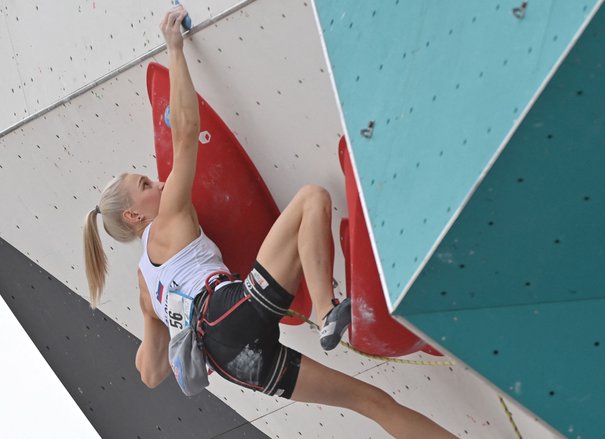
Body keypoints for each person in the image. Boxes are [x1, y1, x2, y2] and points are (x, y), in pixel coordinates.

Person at [82, 6, 456, 439]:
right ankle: (325, 310)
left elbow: (149, 374)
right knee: (313, 199)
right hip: (229, 312)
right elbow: (186, 136)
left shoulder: (146, 284)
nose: (160, 180)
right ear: (135, 216)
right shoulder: (166, 219)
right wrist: (175, 48)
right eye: (145, 182)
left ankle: (329, 316)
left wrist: (167, 328)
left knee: (370, 402)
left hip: (236, 365)